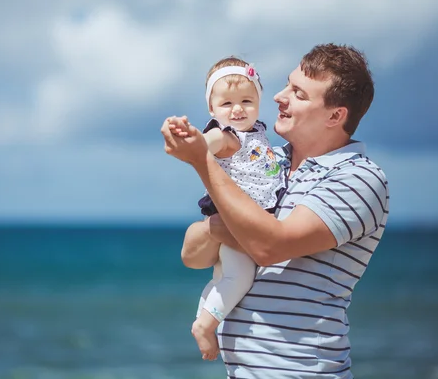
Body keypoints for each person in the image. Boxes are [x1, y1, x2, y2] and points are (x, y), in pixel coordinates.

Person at [161, 43, 389, 379]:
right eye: (286, 84)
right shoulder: (267, 162)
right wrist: (220, 225)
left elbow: (271, 247)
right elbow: (192, 255)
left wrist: (202, 161)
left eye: (298, 92)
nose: (280, 97)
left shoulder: (358, 178)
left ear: (335, 115)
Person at [170, 56, 283, 361]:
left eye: (247, 100)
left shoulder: (258, 133)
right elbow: (210, 142)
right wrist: (193, 143)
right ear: (212, 109)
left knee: (224, 278)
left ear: (259, 102)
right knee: (240, 278)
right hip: (236, 221)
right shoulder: (230, 135)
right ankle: (206, 326)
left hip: (247, 222)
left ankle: (202, 319)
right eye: (227, 104)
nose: (237, 109)